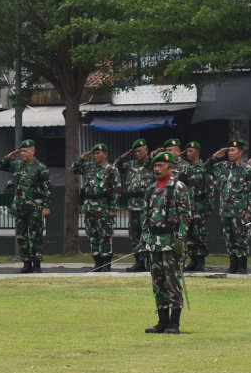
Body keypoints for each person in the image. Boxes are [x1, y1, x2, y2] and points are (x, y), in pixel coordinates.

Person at [142, 151, 191, 334]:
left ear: (170, 167)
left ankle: (174, 323)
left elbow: (185, 216)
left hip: (170, 241)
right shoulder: (151, 189)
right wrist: (144, 238)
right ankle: (161, 321)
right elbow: (145, 216)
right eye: (155, 166)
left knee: (172, 282)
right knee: (158, 283)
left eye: (160, 165)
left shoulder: (178, 187)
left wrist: (181, 239)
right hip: (154, 242)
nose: (156, 169)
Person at [0, 139, 52, 273]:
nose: (22, 153)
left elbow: (47, 189)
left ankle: (37, 264)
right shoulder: (17, 165)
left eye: (24, 151)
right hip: (19, 207)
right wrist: (9, 156)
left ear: (32, 151)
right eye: (21, 151)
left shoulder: (41, 167)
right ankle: (26, 263)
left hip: (34, 208)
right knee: (21, 236)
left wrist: (46, 206)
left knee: (35, 236)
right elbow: (0, 166)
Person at [205, 139, 251, 274]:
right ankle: (233, 263)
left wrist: (249, 210)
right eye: (229, 151)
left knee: (241, 238)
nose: (230, 153)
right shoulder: (222, 167)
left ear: (240, 152)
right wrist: (214, 157)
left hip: (240, 210)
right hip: (225, 210)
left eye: (233, 150)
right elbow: (205, 169)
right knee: (229, 238)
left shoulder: (247, 170)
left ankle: (242, 265)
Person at [71, 143, 120, 271]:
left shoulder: (111, 169)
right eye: (94, 153)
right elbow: (73, 169)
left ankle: (106, 264)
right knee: (93, 236)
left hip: (103, 206)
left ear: (105, 154)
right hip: (89, 207)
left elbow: (116, 190)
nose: (95, 155)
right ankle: (97, 263)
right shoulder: (89, 167)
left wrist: (113, 208)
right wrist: (82, 158)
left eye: (98, 153)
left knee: (105, 236)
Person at [113, 138, 153, 273]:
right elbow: (115, 168)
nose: (138, 154)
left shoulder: (152, 165)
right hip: (132, 206)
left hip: (146, 206)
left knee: (147, 235)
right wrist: (122, 157)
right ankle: (139, 261)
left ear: (146, 151)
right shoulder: (130, 165)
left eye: (140, 151)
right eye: (135, 152)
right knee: (134, 235)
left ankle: (150, 262)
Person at [179, 141, 212, 271]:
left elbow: (209, 189)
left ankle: (200, 260)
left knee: (200, 234)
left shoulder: (203, 168)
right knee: (190, 234)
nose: (188, 153)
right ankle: (193, 259)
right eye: (187, 151)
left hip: (199, 205)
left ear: (197, 152)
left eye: (191, 151)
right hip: (188, 206)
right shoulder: (186, 168)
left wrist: (208, 207)